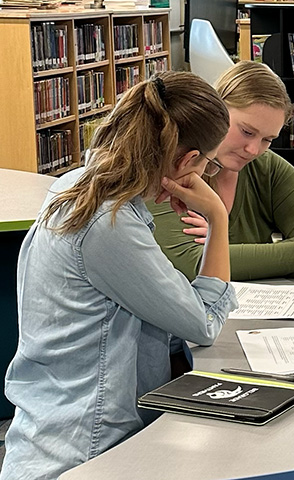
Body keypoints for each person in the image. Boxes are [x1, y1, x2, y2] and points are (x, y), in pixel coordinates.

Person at [1, 72, 237, 480]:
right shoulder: (108, 223)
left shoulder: (78, 186)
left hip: (54, 434)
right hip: (85, 454)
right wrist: (217, 216)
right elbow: (202, 324)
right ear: (188, 161)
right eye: (208, 164)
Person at [150, 61, 294, 281]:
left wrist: (224, 247)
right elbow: (193, 263)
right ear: (216, 112)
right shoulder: (175, 166)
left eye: (267, 139)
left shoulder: (267, 168)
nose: (253, 150)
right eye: (246, 132)